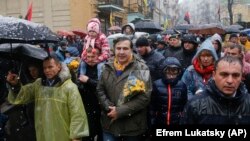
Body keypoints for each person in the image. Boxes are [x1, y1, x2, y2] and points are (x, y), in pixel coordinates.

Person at [6, 56, 89, 141]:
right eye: (44, 68)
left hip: (63, 135)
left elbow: (77, 114)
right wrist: (15, 85)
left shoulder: (70, 87)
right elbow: (22, 95)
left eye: (50, 67)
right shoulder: (39, 84)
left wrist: (76, 137)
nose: (47, 70)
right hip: (43, 134)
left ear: (59, 66)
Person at [97, 37, 152, 141]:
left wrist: (119, 111)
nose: (121, 52)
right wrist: (108, 107)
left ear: (131, 50)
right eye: (118, 48)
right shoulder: (106, 66)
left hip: (132, 126)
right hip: (110, 123)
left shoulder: (141, 68)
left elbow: (144, 98)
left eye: (125, 48)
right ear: (114, 50)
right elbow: (100, 89)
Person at [181, 56, 250, 124]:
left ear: (241, 77)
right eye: (224, 74)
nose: (230, 81)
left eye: (235, 75)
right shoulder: (195, 105)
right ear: (214, 75)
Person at [151, 57, 187, 126]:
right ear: (163, 71)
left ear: (179, 72)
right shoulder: (156, 85)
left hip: (176, 121)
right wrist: (152, 120)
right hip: (159, 121)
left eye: (174, 71)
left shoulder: (182, 86)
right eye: (168, 71)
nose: (171, 74)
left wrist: (182, 118)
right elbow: (152, 105)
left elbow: (184, 105)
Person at [78, 47, 104, 141]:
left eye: (93, 57)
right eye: (88, 57)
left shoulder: (102, 67)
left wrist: (88, 80)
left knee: (100, 130)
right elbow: (78, 82)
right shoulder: (82, 67)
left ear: (98, 56)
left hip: (99, 104)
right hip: (86, 103)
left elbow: (103, 86)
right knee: (88, 131)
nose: (90, 59)